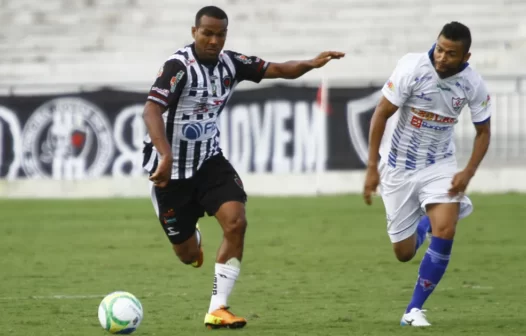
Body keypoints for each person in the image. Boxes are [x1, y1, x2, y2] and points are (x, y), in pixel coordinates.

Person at [142, 5, 344, 330]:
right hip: (171, 174)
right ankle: (190, 236)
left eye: (220, 34)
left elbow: (278, 69)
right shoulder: (177, 67)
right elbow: (151, 111)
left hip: (209, 163)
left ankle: (218, 308)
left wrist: (312, 62)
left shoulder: (231, 64)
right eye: (207, 33)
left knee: (236, 222)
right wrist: (164, 155)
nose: (213, 40)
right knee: (187, 255)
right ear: (194, 32)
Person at [363, 21, 492, 327]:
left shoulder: (473, 84)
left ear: (466, 56)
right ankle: (424, 224)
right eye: (440, 49)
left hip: (440, 165)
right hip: (398, 167)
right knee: (404, 253)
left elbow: (483, 132)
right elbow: (381, 113)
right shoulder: (412, 68)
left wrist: (468, 172)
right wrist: (371, 168)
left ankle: (413, 310)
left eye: (451, 53)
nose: (442, 57)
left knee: (446, 230)